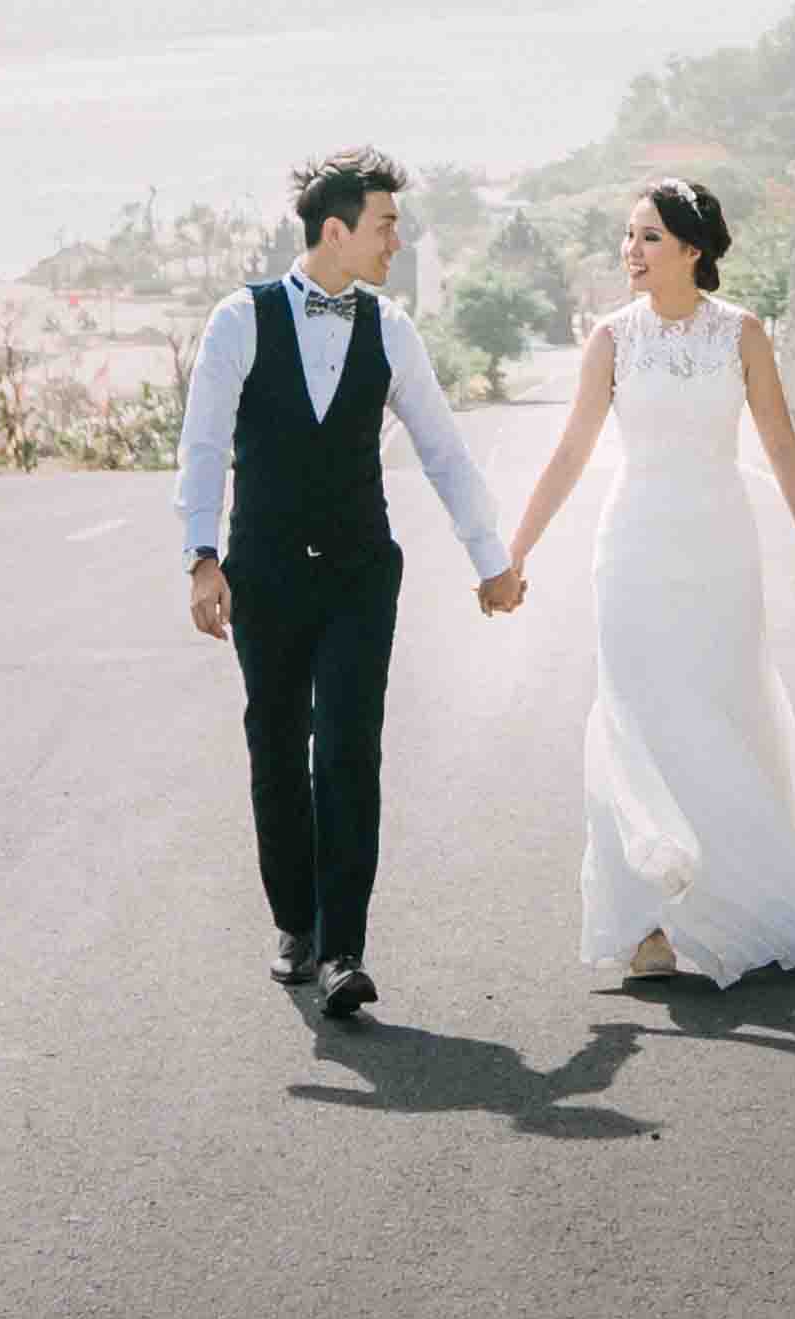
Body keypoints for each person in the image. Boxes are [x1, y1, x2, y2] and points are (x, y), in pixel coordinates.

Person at [497, 175, 795, 987]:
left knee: (722, 714)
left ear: (692, 250)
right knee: (634, 715)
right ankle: (643, 925)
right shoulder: (611, 338)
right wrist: (517, 548)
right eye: (629, 236)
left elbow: (781, 445)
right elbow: (571, 451)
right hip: (633, 550)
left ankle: (741, 891)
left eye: (647, 237)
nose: (629, 251)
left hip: (719, 552)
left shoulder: (742, 335)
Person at [176, 143, 519, 1030]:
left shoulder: (391, 328)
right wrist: (201, 555)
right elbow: (205, 442)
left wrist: (491, 555)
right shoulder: (239, 319)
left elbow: (442, 446)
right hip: (267, 572)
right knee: (278, 744)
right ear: (336, 230)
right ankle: (295, 919)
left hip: (363, 571)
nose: (396, 241)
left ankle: (343, 952)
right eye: (385, 225)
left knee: (350, 750)